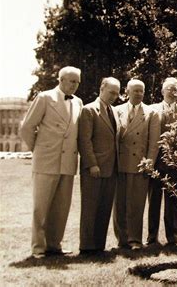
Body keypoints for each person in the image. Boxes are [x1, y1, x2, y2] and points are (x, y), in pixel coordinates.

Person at [19, 66, 83, 259]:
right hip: (47, 160)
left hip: (68, 162)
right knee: (41, 207)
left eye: (77, 82)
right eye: (71, 81)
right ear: (61, 80)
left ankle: (55, 245)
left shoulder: (78, 102)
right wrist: (38, 149)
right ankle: (38, 248)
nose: (75, 85)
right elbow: (27, 127)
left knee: (61, 207)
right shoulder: (45, 98)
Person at [113, 79, 160, 250]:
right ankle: (121, 239)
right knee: (119, 204)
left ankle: (134, 239)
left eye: (142, 91)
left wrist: (149, 163)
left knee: (137, 204)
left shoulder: (151, 113)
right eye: (136, 91)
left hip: (140, 164)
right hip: (120, 163)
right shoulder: (116, 110)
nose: (139, 94)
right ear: (127, 91)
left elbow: (154, 142)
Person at [78, 77, 121, 255]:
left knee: (104, 207)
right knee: (90, 208)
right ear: (102, 88)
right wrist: (92, 164)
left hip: (111, 168)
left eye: (117, 93)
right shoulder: (89, 110)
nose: (114, 96)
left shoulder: (113, 111)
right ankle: (87, 247)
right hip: (94, 169)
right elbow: (84, 140)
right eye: (111, 92)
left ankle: (99, 245)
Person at [147, 77, 177, 246]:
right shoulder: (151, 110)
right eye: (168, 89)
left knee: (174, 202)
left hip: (176, 165)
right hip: (156, 163)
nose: (171, 92)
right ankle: (152, 237)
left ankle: (173, 237)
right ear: (162, 92)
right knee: (154, 201)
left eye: (174, 89)